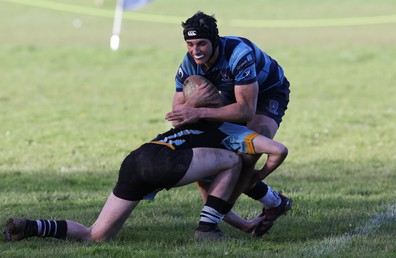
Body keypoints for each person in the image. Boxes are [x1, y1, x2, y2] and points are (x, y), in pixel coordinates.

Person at [4, 78, 288, 242]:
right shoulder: (228, 129)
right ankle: (205, 230)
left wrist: (246, 226)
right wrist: (256, 177)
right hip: (165, 163)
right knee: (235, 161)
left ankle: (32, 227)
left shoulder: (184, 128)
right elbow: (277, 150)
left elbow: (213, 202)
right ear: (218, 103)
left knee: (97, 235)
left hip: (137, 159)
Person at [165, 11, 292, 236]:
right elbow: (179, 112)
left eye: (201, 43)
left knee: (248, 152)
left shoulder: (238, 54)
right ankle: (275, 202)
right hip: (229, 95)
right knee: (213, 157)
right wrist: (189, 117)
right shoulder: (189, 64)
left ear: (214, 41)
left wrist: (199, 112)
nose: (195, 50)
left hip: (267, 93)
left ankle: (211, 221)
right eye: (190, 44)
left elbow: (246, 110)